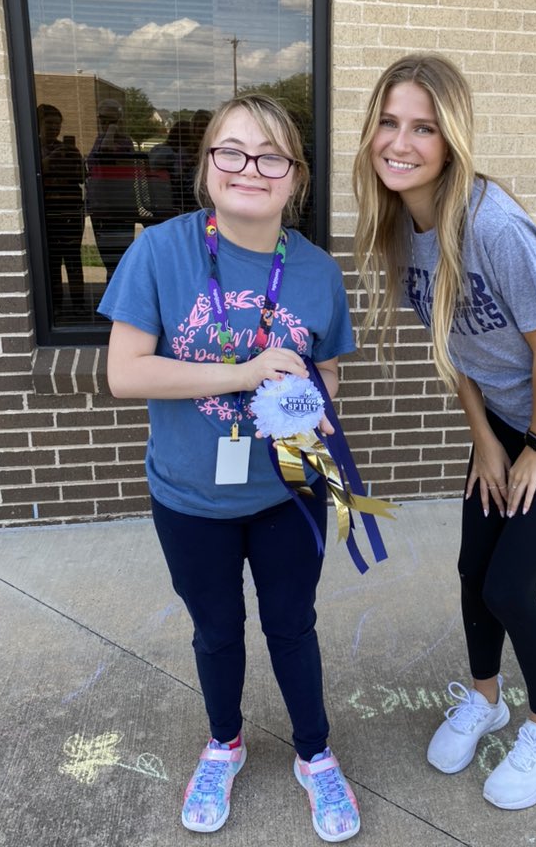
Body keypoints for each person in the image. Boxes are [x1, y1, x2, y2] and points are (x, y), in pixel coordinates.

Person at [353, 54, 536, 811]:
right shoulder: (399, 226)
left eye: (423, 127)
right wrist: (486, 439)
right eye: (388, 121)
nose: (400, 142)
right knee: (475, 566)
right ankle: (485, 698)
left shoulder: (494, 225)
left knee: (511, 583)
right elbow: (456, 346)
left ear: (452, 141)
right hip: (507, 423)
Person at [99, 94, 361, 842]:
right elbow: (127, 373)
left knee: (292, 626)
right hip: (188, 493)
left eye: (272, 155)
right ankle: (225, 744)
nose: (251, 168)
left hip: (287, 493)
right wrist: (244, 374)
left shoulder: (314, 271)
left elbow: (329, 375)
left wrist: (306, 399)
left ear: (295, 177)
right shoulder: (160, 251)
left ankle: (314, 753)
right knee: (216, 631)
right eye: (232, 151)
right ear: (207, 166)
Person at [37, 103, 86, 314]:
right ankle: (56, 305)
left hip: (71, 212)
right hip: (48, 213)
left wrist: (73, 159)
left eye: (57, 124)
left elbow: (82, 178)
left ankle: (79, 305)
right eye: (49, 123)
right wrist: (49, 161)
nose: (54, 128)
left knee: (74, 259)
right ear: (38, 124)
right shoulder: (32, 149)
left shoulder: (68, 150)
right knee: (53, 261)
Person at [85, 98, 137, 281]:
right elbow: (91, 166)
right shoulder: (98, 140)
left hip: (119, 208)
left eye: (110, 119)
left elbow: (108, 153)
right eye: (102, 119)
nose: (104, 123)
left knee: (121, 262)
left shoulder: (124, 142)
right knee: (108, 261)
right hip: (100, 208)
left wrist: (111, 131)